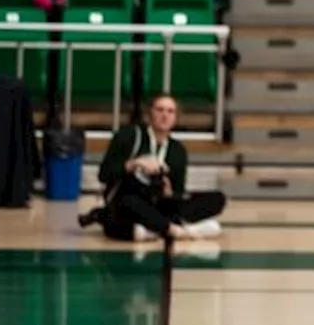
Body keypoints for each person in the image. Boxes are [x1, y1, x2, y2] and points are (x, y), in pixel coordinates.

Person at [77, 95, 226, 241]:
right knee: (128, 205)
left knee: (217, 198)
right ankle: (173, 229)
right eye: (160, 110)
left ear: (176, 118)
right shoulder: (129, 136)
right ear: (149, 114)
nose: (164, 115)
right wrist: (134, 164)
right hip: (126, 201)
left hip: (157, 203)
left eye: (170, 111)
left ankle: (153, 229)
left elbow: (178, 192)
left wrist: (169, 190)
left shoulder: (177, 150)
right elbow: (103, 175)